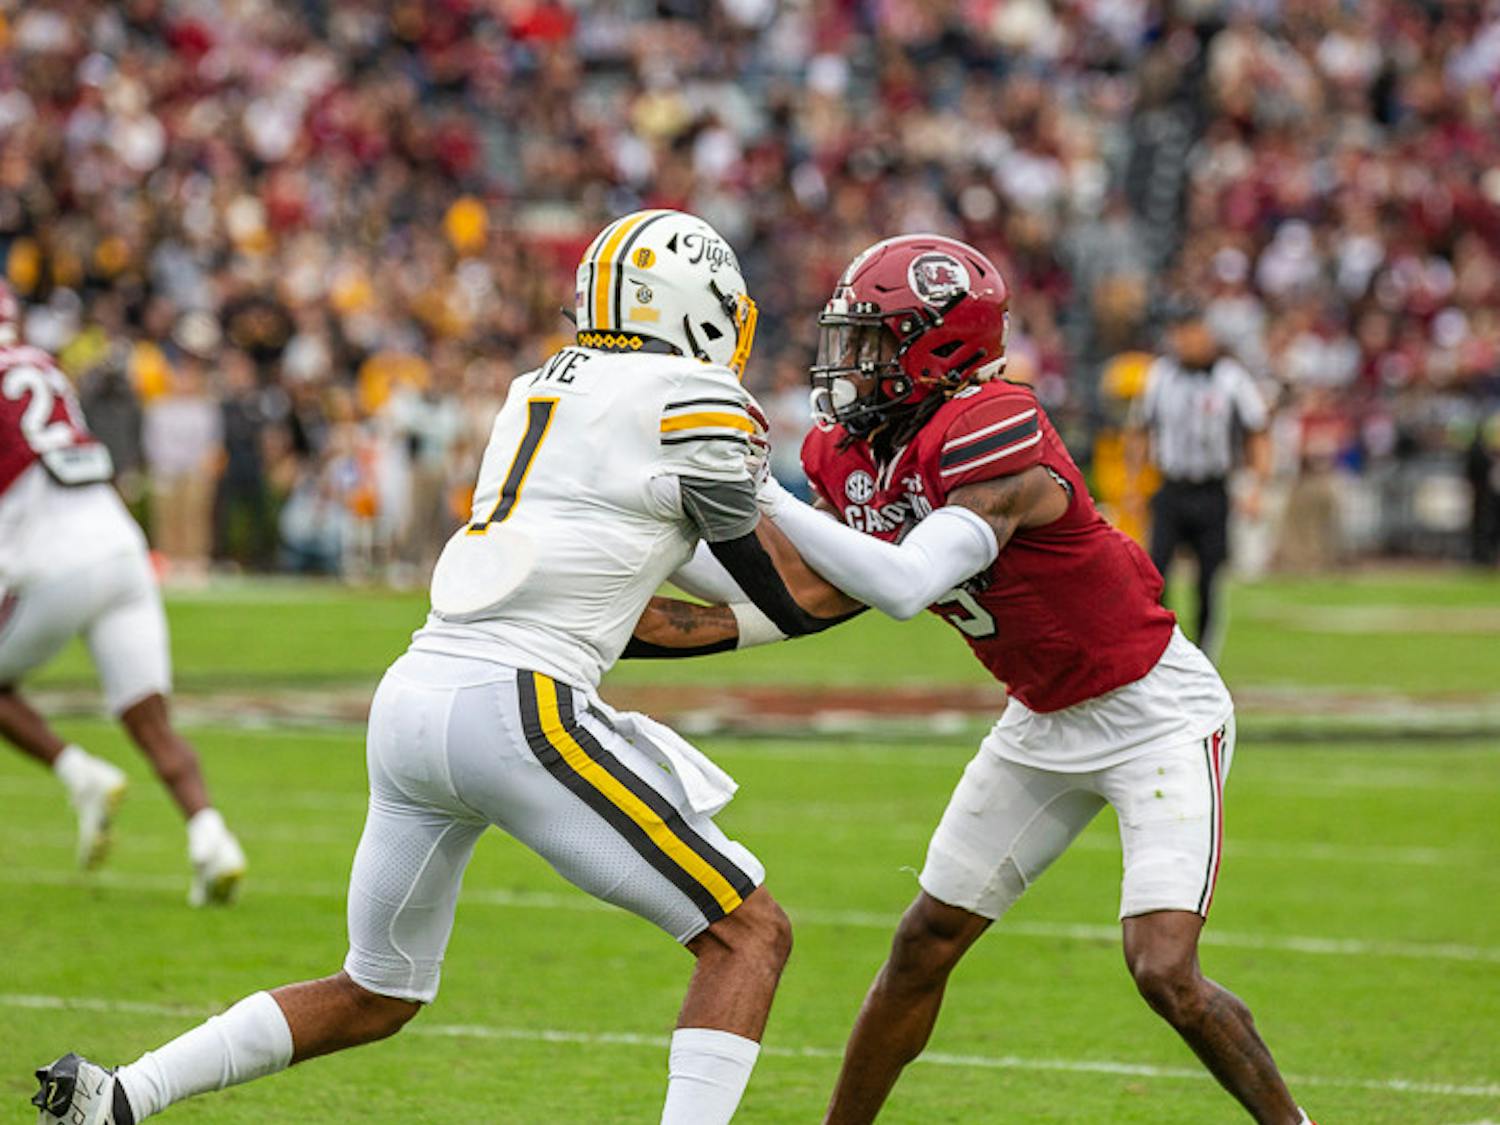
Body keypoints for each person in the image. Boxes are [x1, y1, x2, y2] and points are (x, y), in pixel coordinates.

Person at [30, 210, 853, 1125]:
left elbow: (645, 603)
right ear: (694, 306)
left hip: (416, 699)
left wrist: (785, 604)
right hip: (517, 710)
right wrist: (899, 562)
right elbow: (780, 591)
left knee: (375, 990)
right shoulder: (693, 402)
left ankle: (119, 1096)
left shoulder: (538, 390)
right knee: (749, 933)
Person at [656, 235, 1315, 1124]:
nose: (851, 362)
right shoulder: (851, 454)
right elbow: (799, 587)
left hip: (1155, 709)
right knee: (923, 942)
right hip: (1042, 718)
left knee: (1164, 968)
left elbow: (903, 583)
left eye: (875, 341)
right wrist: (642, 562)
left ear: (938, 346)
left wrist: (763, 493)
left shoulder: (995, 423)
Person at [0, 282, 247, 906]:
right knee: (151, 719)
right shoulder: (41, 366)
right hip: (121, 547)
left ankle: (79, 772)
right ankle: (210, 837)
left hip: (54, 563)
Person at [1128, 303, 1271, 660]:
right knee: (1155, 573)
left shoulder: (1231, 378)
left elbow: (1257, 433)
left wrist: (1255, 488)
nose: (1187, 341)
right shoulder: (1159, 374)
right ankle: (1160, 653)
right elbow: (1139, 430)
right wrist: (1133, 485)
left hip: (1212, 489)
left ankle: (1205, 656)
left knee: (1209, 579)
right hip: (1171, 487)